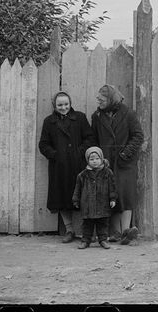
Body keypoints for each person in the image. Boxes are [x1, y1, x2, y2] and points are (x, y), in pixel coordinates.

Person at [38, 91, 95, 243]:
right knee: (62, 197)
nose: (63, 108)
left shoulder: (80, 118)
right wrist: (55, 155)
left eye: (66, 104)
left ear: (70, 104)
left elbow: (90, 138)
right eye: (60, 105)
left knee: (83, 197)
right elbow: (43, 144)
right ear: (55, 106)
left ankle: (87, 231)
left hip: (79, 165)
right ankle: (69, 230)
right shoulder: (49, 121)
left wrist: (79, 152)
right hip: (59, 167)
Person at [91, 84, 144, 245]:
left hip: (125, 161)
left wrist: (125, 154)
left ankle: (126, 232)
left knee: (126, 195)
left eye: (102, 99)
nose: (99, 102)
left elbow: (138, 136)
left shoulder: (128, 114)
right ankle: (115, 233)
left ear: (111, 99)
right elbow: (93, 139)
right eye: (98, 99)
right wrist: (98, 158)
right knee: (110, 194)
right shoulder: (97, 116)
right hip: (106, 161)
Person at [73, 147, 117, 249]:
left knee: (103, 223)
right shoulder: (82, 175)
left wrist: (113, 199)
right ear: (87, 160)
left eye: (97, 159)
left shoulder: (107, 173)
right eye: (91, 159)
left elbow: (112, 187)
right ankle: (86, 241)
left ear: (101, 158)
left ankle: (103, 240)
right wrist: (76, 200)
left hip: (103, 204)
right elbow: (78, 188)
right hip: (88, 205)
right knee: (87, 225)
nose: (94, 161)